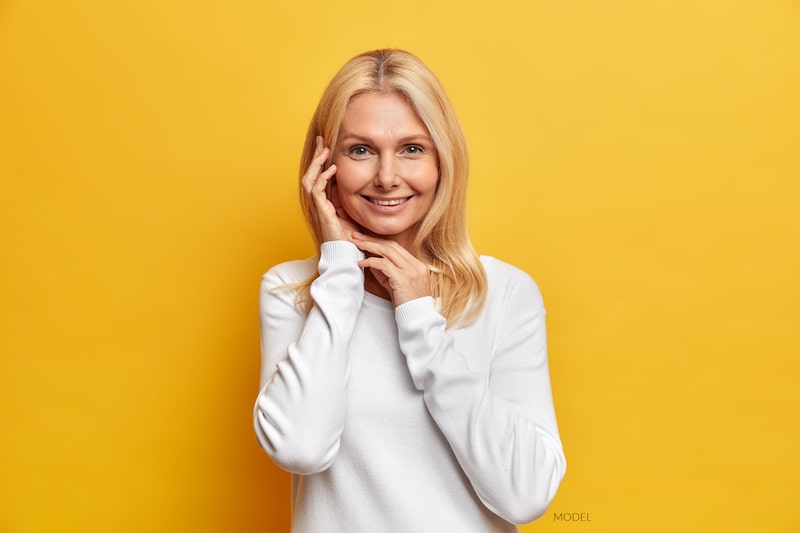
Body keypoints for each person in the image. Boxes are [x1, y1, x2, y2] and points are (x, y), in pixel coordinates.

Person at [254, 48, 566, 532]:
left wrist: (421, 319)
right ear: (324, 165)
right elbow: (301, 447)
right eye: (360, 150)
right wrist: (338, 276)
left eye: (412, 149)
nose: (386, 176)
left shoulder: (503, 293)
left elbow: (525, 494)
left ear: (444, 160)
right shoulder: (292, 291)